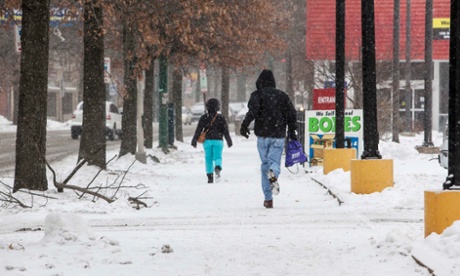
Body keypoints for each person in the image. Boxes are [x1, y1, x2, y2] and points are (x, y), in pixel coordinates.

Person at [240, 69, 298, 209]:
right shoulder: (282, 96)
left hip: (262, 136)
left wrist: (244, 126)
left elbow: (252, 112)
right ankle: (274, 175)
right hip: (277, 135)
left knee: (265, 165)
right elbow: (292, 114)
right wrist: (292, 131)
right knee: (274, 163)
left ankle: (268, 199)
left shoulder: (257, 95)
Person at [192, 98, 233, 183]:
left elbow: (198, 129)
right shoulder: (220, 117)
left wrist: (194, 140)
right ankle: (218, 167)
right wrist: (228, 140)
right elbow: (225, 130)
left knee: (208, 159)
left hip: (207, 141)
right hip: (218, 141)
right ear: (218, 107)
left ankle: (210, 177)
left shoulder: (204, 117)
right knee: (218, 157)